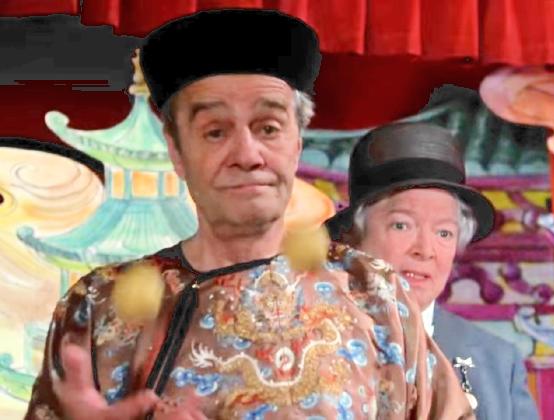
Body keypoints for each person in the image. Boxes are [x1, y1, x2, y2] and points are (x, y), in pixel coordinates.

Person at [25, 10, 473, 420]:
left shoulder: (373, 293)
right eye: (215, 132)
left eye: (269, 128)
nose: (247, 154)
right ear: (176, 151)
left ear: (297, 143)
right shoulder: (99, 307)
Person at [327, 122, 540, 420]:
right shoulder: (310, 342)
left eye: (444, 233)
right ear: (352, 235)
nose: (425, 250)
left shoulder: (498, 362)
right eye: (402, 225)